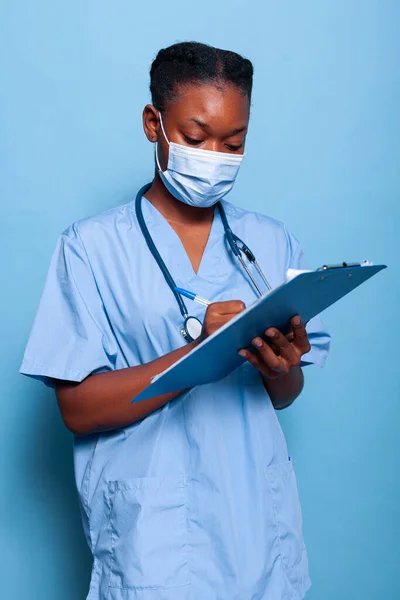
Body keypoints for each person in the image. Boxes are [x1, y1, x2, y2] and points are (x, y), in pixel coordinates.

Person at [20, 41, 330, 600]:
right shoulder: (89, 247)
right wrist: (197, 357)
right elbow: (76, 408)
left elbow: (285, 393)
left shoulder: (269, 240)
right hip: (154, 538)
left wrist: (282, 366)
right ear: (152, 124)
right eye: (195, 138)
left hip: (257, 528)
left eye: (233, 144)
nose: (215, 155)